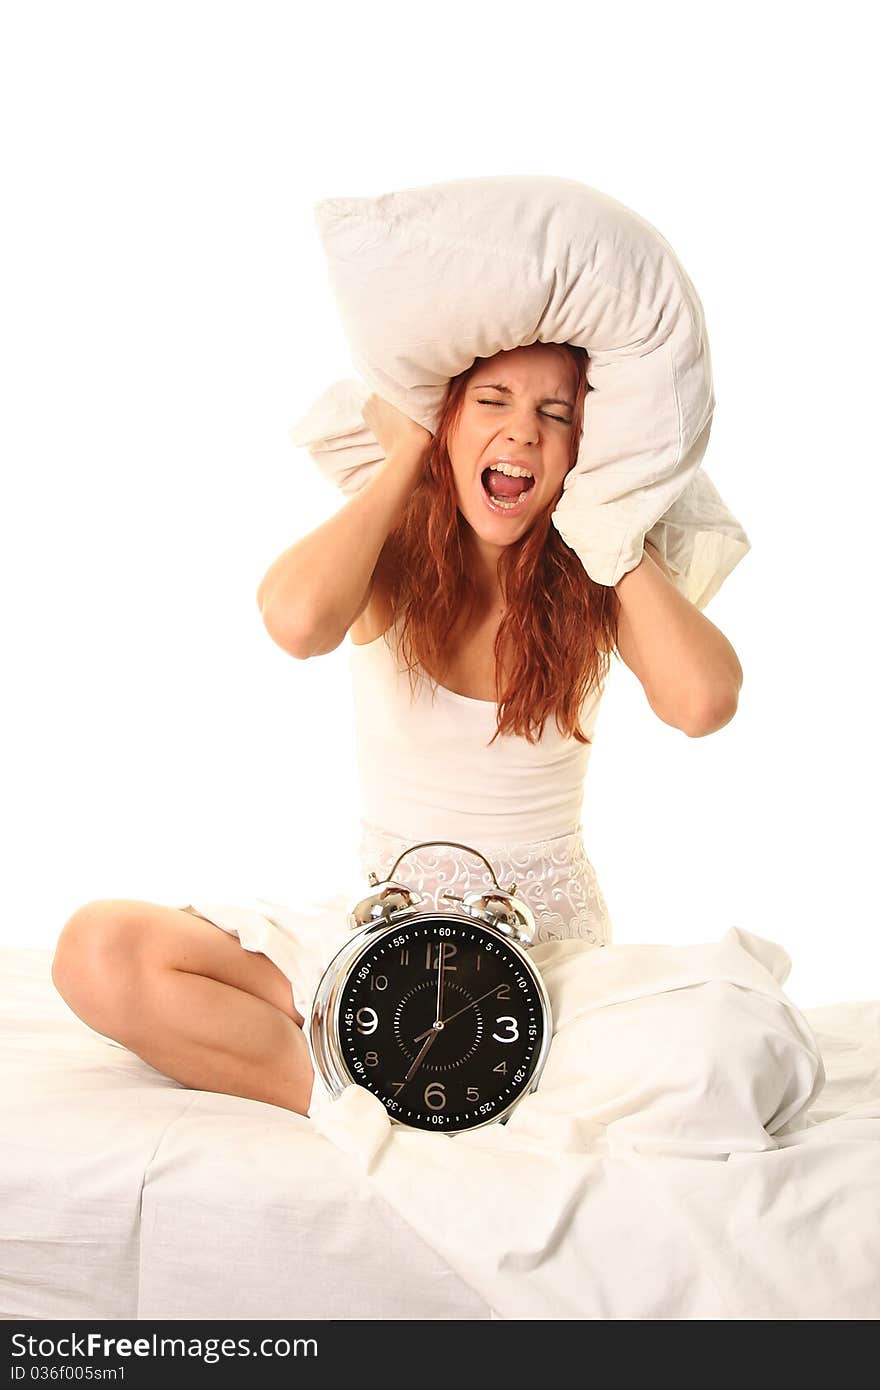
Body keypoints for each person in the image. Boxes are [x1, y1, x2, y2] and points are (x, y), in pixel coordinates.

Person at [50, 342, 743, 1119]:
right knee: (98, 950)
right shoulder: (394, 554)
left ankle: (429, 1085)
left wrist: (610, 521)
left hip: (544, 962)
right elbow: (295, 620)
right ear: (447, 422)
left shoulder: (598, 576)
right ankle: (394, 1097)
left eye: (557, 415)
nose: (521, 433)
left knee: (731, 1048)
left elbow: (703, 702)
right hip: (381, 949)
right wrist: (410, 452)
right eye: (492, 402)